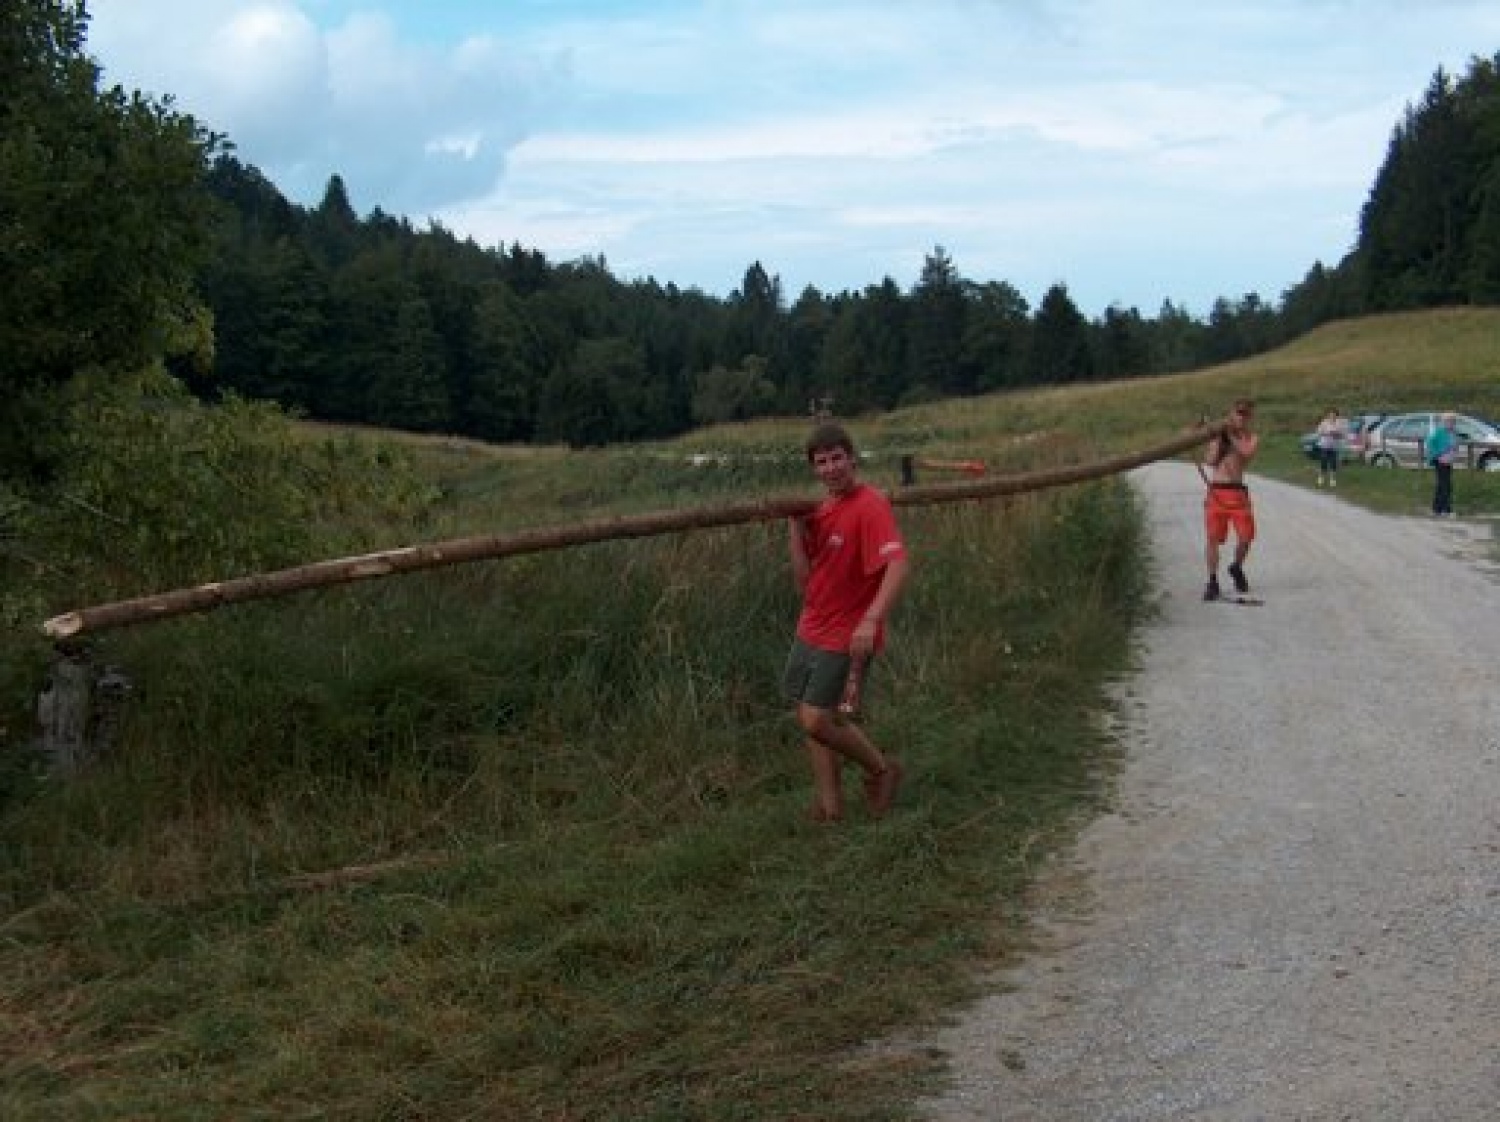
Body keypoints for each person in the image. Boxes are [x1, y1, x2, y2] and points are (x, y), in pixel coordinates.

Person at [784, 423, 910, 822]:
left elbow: (898, 564)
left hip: (847, 631)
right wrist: (794, 525)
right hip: (812, 625)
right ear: (814, 469)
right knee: (811, 717)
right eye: (821, 462)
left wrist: (871, 620)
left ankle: (882, 769)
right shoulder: (820, 510)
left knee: (818, 718)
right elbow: (804, 579)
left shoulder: (870, 503)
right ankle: (830, 806)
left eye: (837, 458)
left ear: (852, 459)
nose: (831, 468)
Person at [1202, 398, 1260, 601]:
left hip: (1238, 492)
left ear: (1249, 417)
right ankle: (1212, 580)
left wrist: (1229, 435)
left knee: (1246, 537)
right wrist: (1218, 440)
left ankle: (1236, 567)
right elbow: (1209, 461)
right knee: (1212, 538)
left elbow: (1246, 452)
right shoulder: (1219, 437)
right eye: (1238, 413)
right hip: (1217, 491)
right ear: (1231, 414)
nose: (1241, 417)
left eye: (1245, 414)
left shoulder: (1250, 438)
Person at [1425, 412, 1458, 516]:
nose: (1451, 423)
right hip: (1440, 461)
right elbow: (1430, 443)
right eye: (1449, 421)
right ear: (1444, 422)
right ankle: (1446, 510)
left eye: (1453, 421)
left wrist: (1454, 451)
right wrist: (1438, 455)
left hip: (1448, 461)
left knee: (1443, 485)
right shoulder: (1439, 431)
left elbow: (1454, 445)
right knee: (1445, 486)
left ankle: (1437, 509)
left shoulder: (1452, 433)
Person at [1315, 408, 1344, 488]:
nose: (1332, 416)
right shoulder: (1324, 422)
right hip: (1324, 445)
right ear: (1328, 415)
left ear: (1336, 415)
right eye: (1330, 414)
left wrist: (1336, 434)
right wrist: (1327, 433)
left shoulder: (1339, 423)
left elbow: (1342, 434)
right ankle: (1321, 478)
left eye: (1334, 414)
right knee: (1323, 462)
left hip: (1334, 446)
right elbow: (1318, 432)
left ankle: (1332, 480)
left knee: (1333, 463)